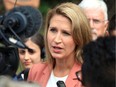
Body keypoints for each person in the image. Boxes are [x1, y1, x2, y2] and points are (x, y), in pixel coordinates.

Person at [28, 2, 92, 87]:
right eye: (53, 30)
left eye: (65, 33)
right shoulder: (36, 71)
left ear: (79, 37)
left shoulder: (89, 77)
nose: (57, 39)